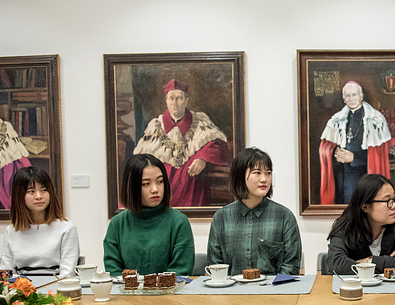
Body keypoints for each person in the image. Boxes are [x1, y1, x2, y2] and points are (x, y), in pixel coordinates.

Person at [132, 79, 231, 207]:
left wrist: (202, 158)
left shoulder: (199, 121)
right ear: (166, 101)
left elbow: (216, 143)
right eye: (171, 98)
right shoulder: (156, 125)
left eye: (179, 98)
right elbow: (142, 155)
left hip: (190, 184)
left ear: (186, 101)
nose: (175, 103)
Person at [207, 147, 302, 276]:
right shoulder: (221, 217)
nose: (264, 179)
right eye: (257, 173)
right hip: (232, 288)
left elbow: (291, 266)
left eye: (268, 173)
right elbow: (215, 265)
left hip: (273, 288)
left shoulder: (284, 216)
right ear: (240, 175)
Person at [103, 153, 195, 277]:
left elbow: (181, 271)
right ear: (131, 187)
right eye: (146, 184)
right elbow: (113, 272)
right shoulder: (117, 224)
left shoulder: (179, 221)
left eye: (160, 181)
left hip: (170, 289)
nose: (155, 189)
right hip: (126, 289)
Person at [327, 174, 395, 275]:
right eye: (388, 200)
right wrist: (390, 262)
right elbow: (335, 264)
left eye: (394, 199)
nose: (394, 205)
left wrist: (368, 261)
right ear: (365, 207)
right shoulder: (346, 225)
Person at [319, 81, 392, 204]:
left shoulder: (376, 119)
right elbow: (326, 148)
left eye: (354, 95)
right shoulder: (336, 119)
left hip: (364, 175)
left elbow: (378, 155)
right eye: (348, 96)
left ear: (361, 96)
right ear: (344, 98)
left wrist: (354, 158)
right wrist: (335, 152)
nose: (351, 99)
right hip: (341, 175)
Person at [0, 167, 79, 278]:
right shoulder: (11, 230)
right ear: (19, 195)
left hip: (56, 286)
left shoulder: (66, 228)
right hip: (21, 286)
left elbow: (68, 274)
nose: (39, 196)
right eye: (31, 191)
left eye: (44, 190)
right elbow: (6, 273)